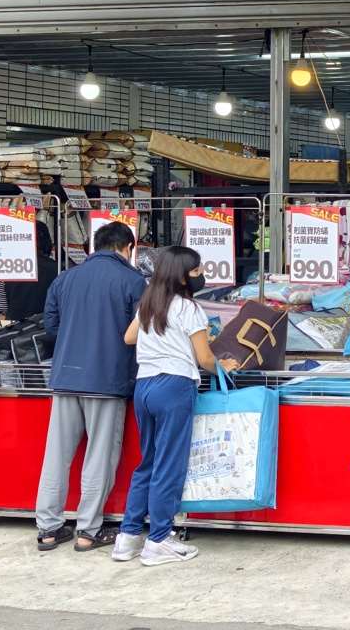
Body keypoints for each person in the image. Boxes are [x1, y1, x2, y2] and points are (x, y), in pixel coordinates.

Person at [113, 247, 236, 566]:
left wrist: (158, 338)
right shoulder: (188, 308)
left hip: (145, 386)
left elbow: (129, 338)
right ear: (182, 275)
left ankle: (128, 537)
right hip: (174, 386)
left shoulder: (150, 303)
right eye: (197, 271)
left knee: (148, 462)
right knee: (169, 464)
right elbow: (205, 358)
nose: (201, 276)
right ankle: (159, 540)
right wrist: (222, 367)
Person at [35, 221, 147, 553]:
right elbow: (140, 331)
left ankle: (48, 528)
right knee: (99, 456)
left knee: (56, 456)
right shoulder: (132, 280)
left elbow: (51, 328)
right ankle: (88, 530)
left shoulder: (63, 279)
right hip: (107, 380)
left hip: (66, 378)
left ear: (93, 247)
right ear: (128, 247)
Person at [4, 221, 59, 321]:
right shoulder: (56, 269)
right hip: (43, 326)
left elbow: (2, 307)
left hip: (13, 326)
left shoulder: (9, 266)